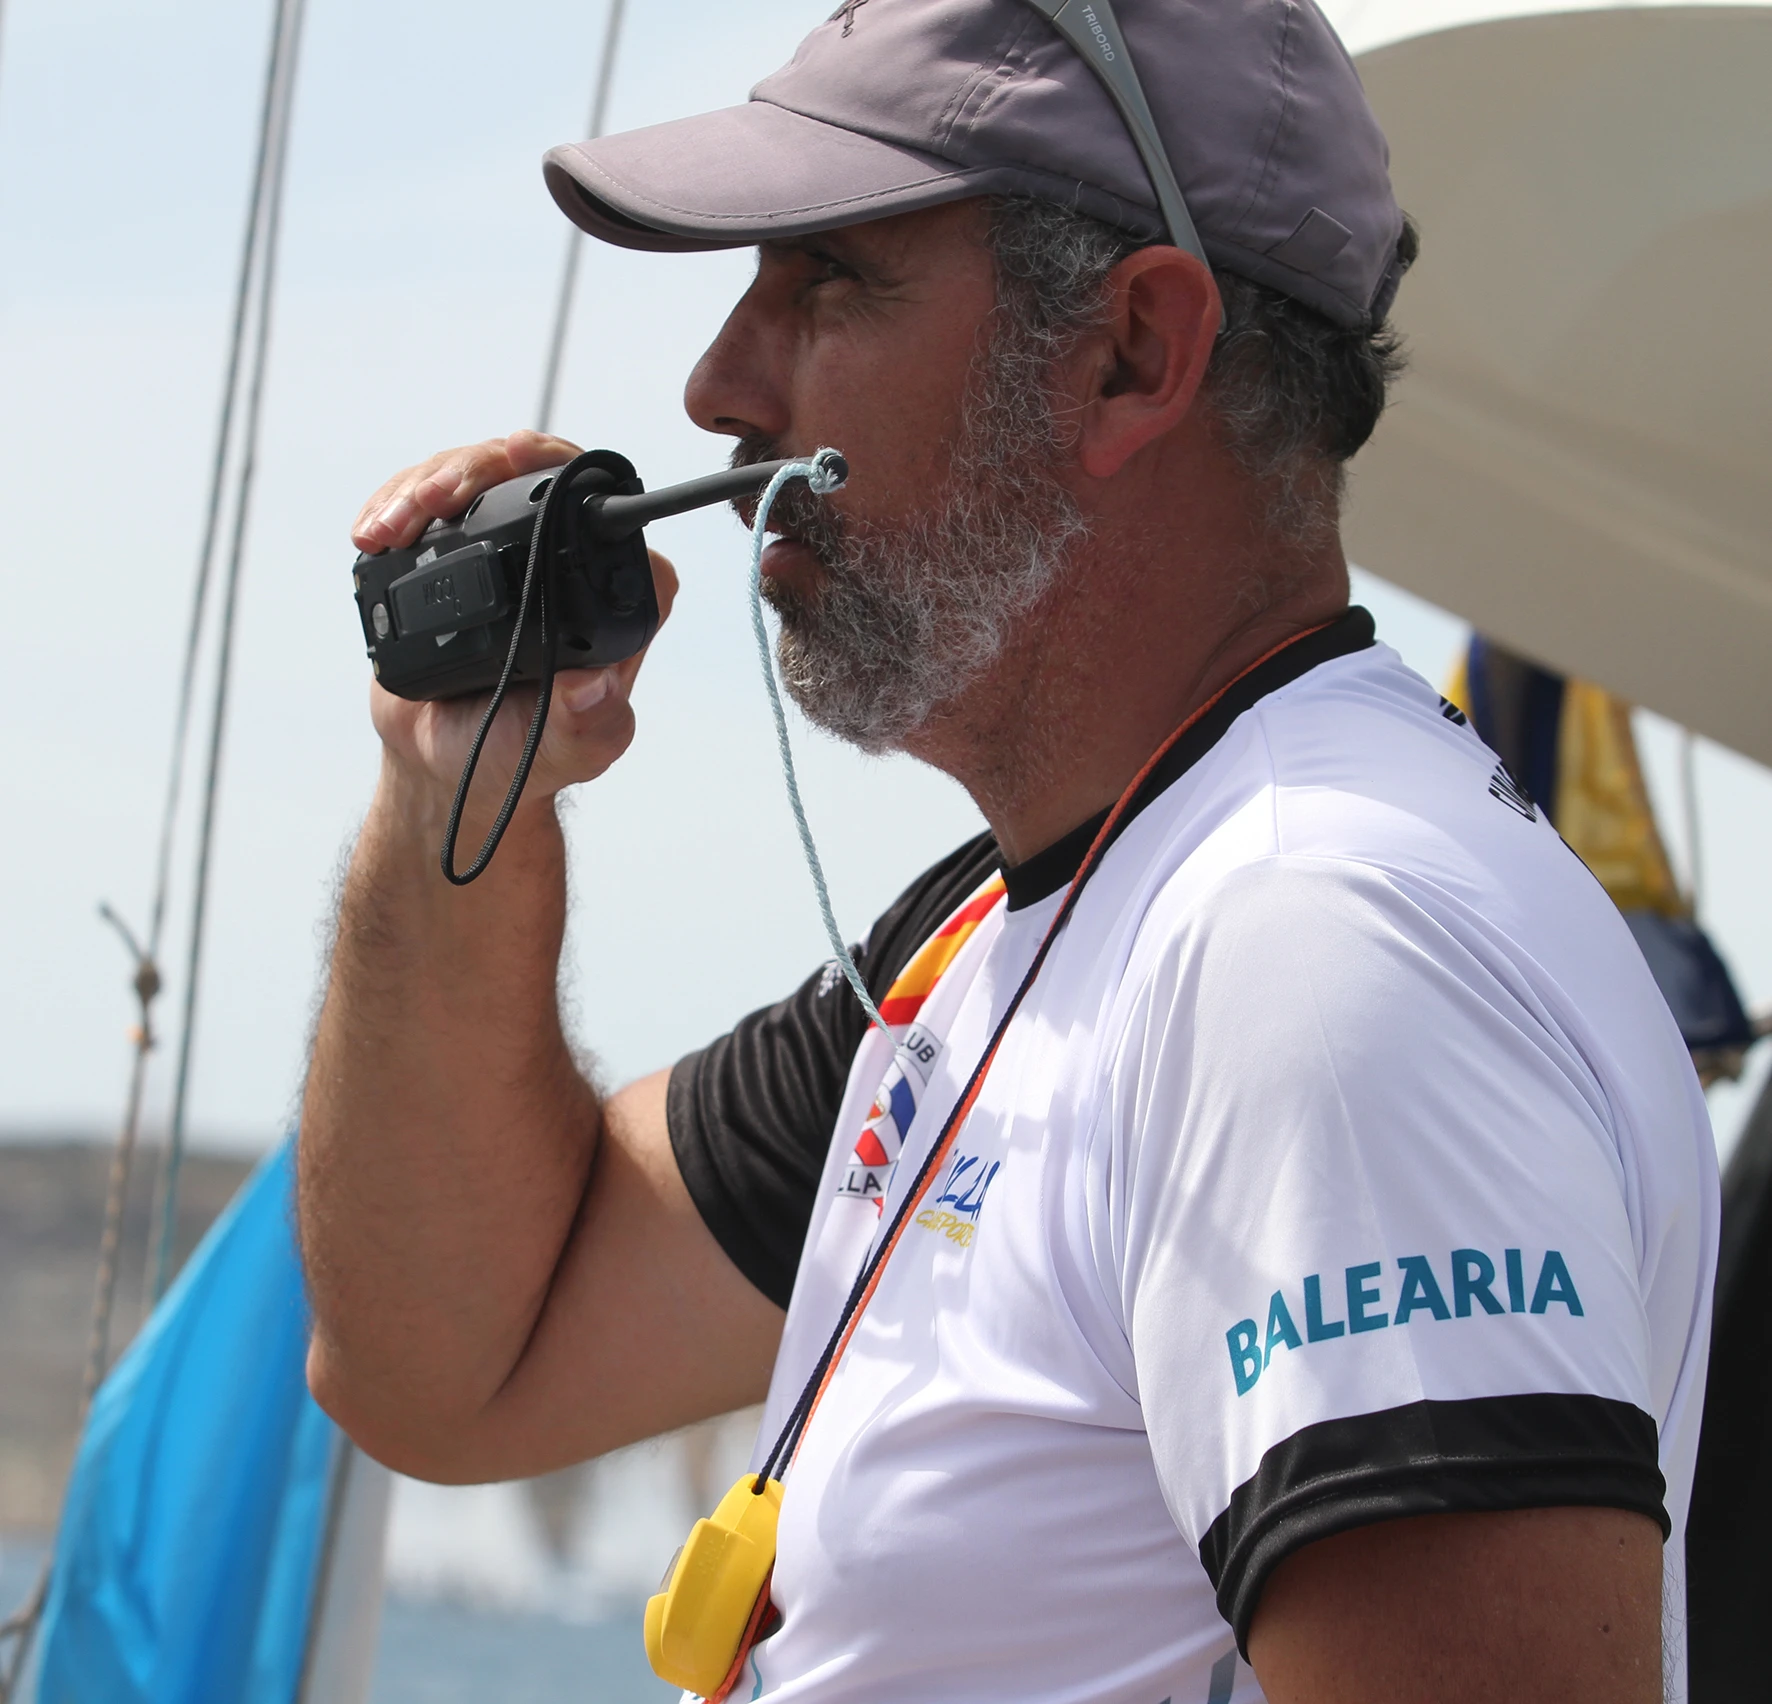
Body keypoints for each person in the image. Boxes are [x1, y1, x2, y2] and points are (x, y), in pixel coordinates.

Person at [298, 2, 1717, 1699]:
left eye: (825, 279)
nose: (716, 384)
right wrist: (457, 803)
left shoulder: (1313, 952)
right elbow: (448, 1363)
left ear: (1133, 352)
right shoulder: (1022, 928)